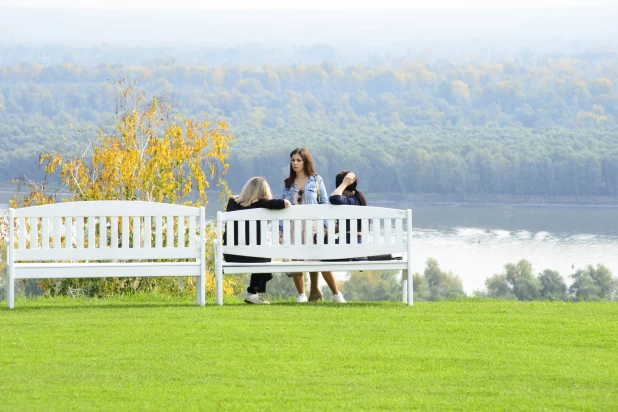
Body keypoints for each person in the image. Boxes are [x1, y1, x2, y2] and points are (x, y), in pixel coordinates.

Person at [281, 147, 346, 303]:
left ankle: (336, 294)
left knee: (319, 259)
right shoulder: (288, 183)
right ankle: (302, 295)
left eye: (298, 160)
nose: (295, 163)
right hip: (293, 227)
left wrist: (325, 227)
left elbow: (324, 202)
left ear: (305, 161)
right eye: (293, 160)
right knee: (297, 260)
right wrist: (281, 231)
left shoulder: (316, 180)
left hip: (313, 227)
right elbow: (283, 208)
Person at [224, 177, 290, 305]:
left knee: (263, 253)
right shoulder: (261, 203)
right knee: (265, 254)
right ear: (263, 193)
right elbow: (286, 203)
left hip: (231, 255)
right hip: (253, 256)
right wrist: (262, 200)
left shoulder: (231, 202)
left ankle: (254, 292)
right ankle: (253, 292)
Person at [329, 170, 367, 244]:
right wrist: (327, 231)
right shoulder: (358, 200)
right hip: (356, 242)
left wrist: (344, 183)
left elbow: (334, 198)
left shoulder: (351, 201)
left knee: (316, 238)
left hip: (347, 242)